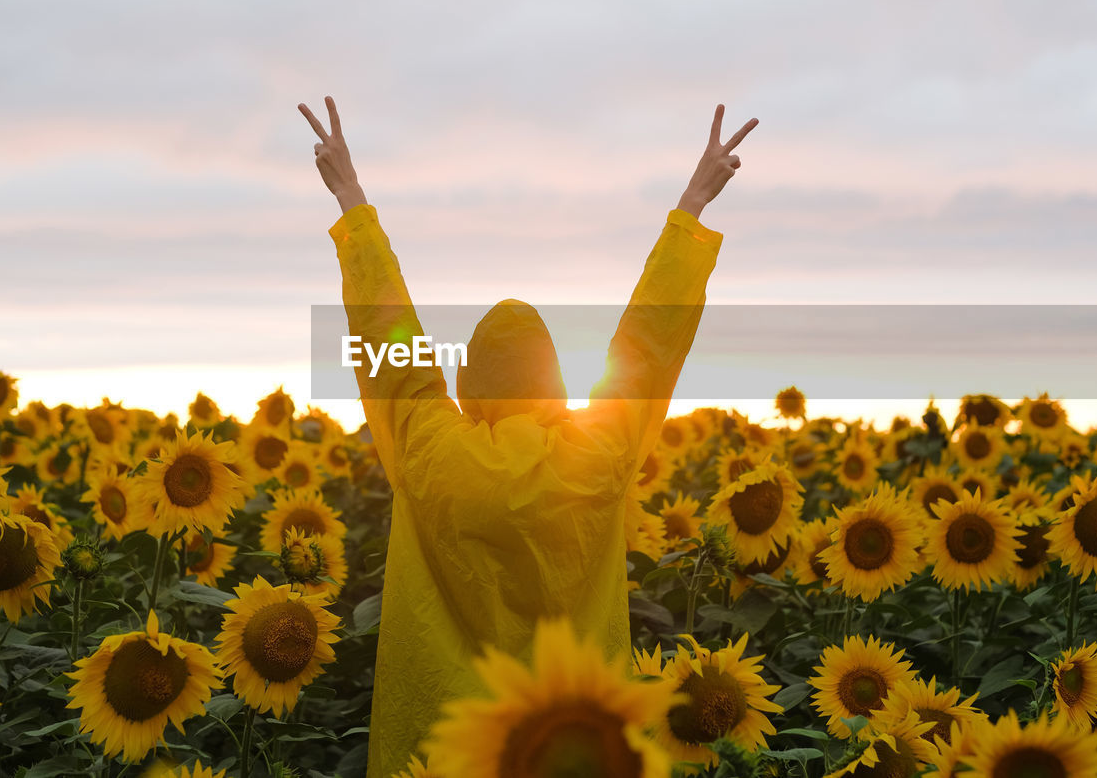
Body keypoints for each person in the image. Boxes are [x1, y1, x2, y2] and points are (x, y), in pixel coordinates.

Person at [299, 96, 755, 776]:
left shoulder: (426, 439)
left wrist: (351, 200)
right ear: (556, 382)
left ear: (468, 382)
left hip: (440, 750)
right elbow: (647, 348)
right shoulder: (599, 449)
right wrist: (691, 206)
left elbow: (387, 328)